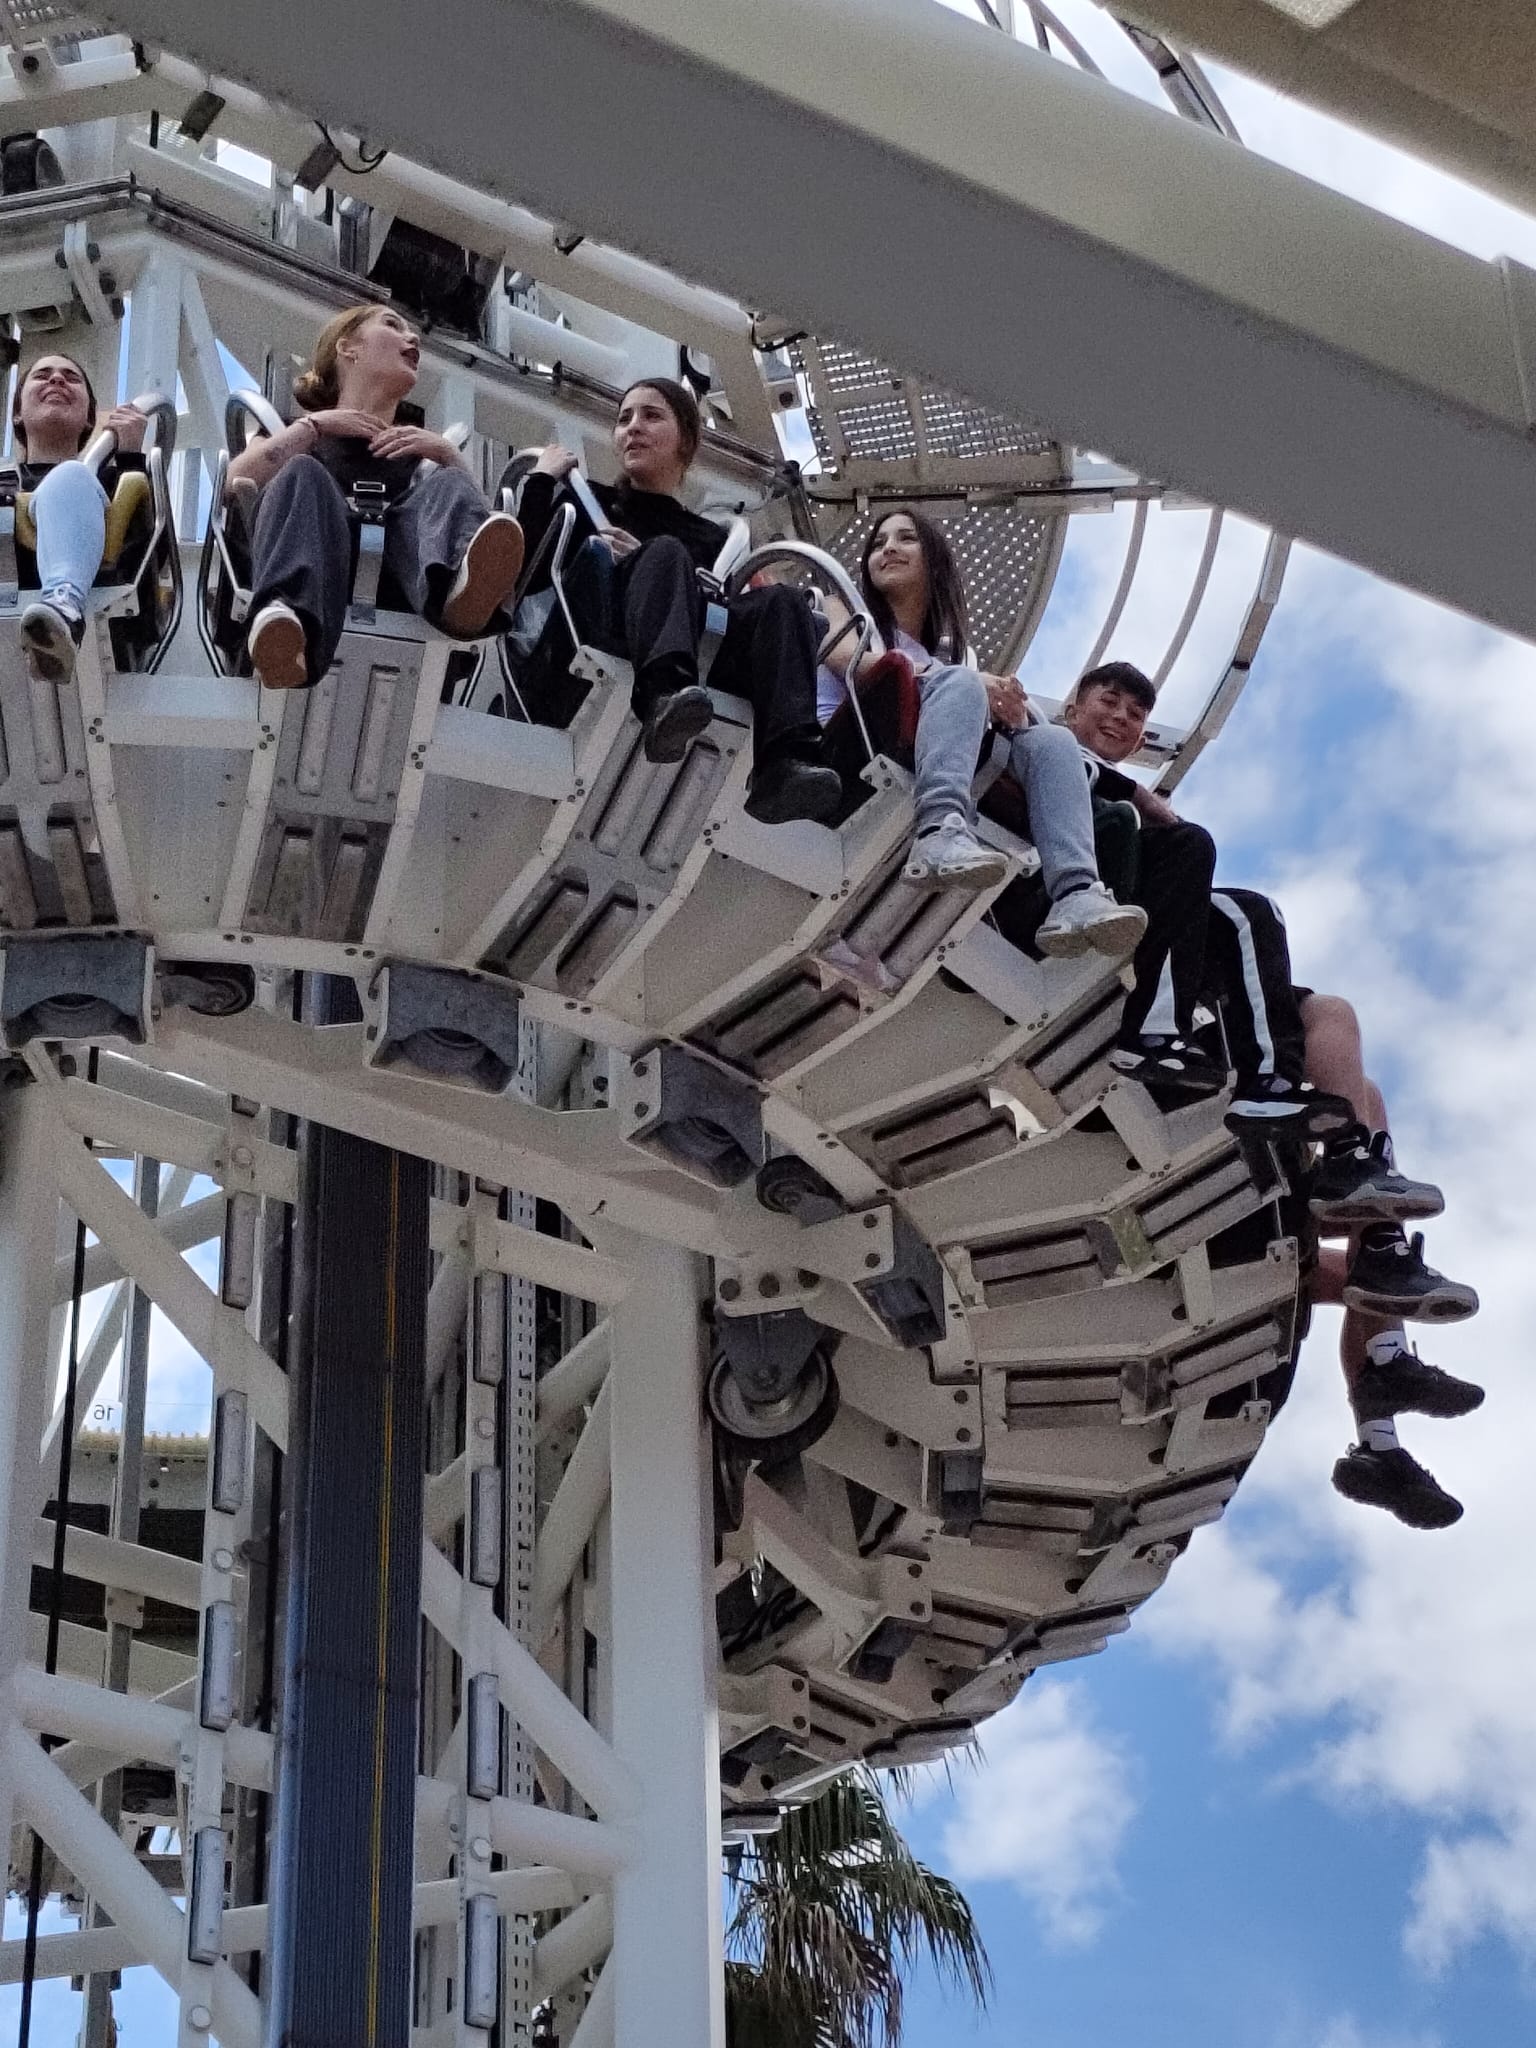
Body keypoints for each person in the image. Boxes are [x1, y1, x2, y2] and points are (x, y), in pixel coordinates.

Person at [518, 380, 840, 825]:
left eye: (651, 416)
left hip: (693, 648)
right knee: (665, 553)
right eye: (624, 419)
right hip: (594, 630)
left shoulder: (713, 538)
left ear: (685, 441)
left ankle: (786, 759)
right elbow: (523, 571)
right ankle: (663, 697)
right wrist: (540, 480)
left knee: (784, 601)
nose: (633, 427)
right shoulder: (590, 502)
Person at [823, 509, 1144, 949]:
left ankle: (1076, 892)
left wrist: (1008, 716)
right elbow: (848, 660)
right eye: (879, 544)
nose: (889, 549)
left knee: (1052, 740)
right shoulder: (844, 607)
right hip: (850, 741)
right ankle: (939, 830)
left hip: (914, 745)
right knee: (959, 682)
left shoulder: (952, 658)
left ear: (934, 561)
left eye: (905, 539)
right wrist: (961, 681)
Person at [227, 303, 524, 690]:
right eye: (392, 325)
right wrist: (314, 427)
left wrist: (448, 455)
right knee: (302, 473)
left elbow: (487, 535)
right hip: (317, 573)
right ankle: (284, 629)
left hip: (403, 589)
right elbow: (235, 483)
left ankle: (458, 596)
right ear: (348, 347)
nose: (412, 337)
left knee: (449, 481)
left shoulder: (424, 460)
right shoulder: (290, 434)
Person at [1060, 662, 1227, 1095]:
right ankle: (1156, 1030)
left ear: (1138, 743)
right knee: (1190, 843)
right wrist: (1141, 799)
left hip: (1125, 881)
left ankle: (1263, 1074)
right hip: (1069, 876)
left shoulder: (1130, 801)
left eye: (1135, 715)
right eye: (1109, 701)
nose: (1120, 716)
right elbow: (1071, 771)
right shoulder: (1050, 742)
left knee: (1247, 911)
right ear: (1073, 712)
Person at [9, 352, 153, 683]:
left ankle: (64, 609)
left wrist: (131, 458)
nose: (57, 379)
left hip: (105, 620)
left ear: (90, 420)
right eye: (42, 375)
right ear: (17, 413)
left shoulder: (113, 487)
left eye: (71, 378)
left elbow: (144, 566)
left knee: (71, 475)